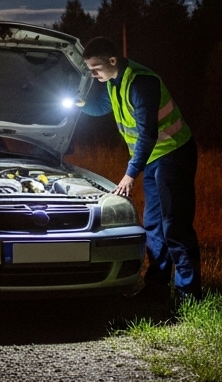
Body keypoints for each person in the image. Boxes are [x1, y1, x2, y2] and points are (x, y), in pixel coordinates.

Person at [78, 37, 201, 300]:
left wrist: (130, 174)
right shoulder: (114, 82)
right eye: (90, 70)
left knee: (175, 226)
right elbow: (102, 107)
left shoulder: (141, 82)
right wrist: (79, 103)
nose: (93, 75)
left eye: (95, 68)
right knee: (154, 225)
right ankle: (156, 288)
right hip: (154, 159)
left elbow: (148, 134)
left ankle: (189, 295)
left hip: (174, 154)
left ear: (112, 60)